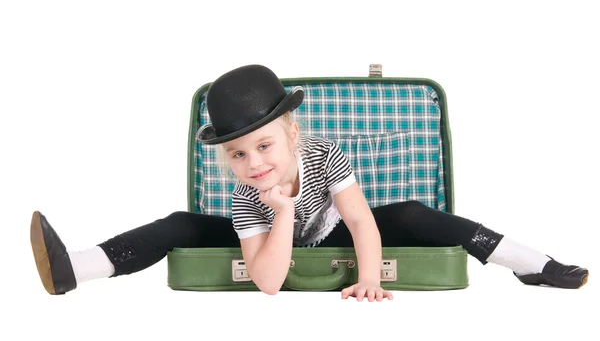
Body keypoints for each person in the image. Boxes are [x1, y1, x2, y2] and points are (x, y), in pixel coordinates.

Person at [30, 64, 589, 301]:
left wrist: (369, 278)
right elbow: (270, 283)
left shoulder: (325, 155)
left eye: (265, 145)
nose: (255, 163)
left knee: (415, 212)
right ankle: (74, 268)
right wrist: (274, 212)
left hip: (338, 237)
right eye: (238, 153)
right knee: (180, 224)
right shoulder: (245, 192)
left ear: (293, 134)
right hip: (270, 242)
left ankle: (530, 264)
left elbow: (363, 223)